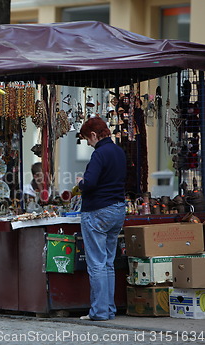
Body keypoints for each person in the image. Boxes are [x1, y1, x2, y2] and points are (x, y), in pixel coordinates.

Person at [76, 117, 126, 321]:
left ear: (95, 135)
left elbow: (90, 184)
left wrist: (80, 182)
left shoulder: (99, 154)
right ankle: (109, 310)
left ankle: (98, 311)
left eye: (88, 139)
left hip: (97, 211)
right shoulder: (118, 152)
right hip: (117, 209)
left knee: (96, 263)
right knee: (108, 263)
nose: (88, 143)